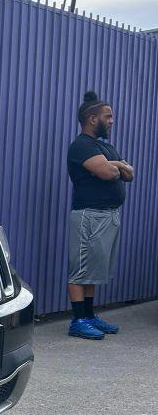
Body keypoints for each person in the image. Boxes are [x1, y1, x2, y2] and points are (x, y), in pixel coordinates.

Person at [65, 91, 134, 340]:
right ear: (92, 119)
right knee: (80, 269)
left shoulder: (104, 146)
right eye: (109, 116)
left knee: (93, 269)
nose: (112, 121)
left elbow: (129, 173)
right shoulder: (81, 145)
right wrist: (117, 166)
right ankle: (78, 320)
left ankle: (90, 315)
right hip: (89, 216)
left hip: (108, 216)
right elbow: (109, 174)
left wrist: (116, 165)